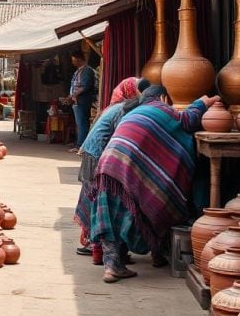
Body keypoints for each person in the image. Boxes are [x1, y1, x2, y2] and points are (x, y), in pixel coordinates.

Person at [88, 87, 219, 283]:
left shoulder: (137, 111)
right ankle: (152, 255)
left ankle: (112, 266)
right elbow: (188, 119)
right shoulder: (162, 108)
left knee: (113, 213)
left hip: (109, 165)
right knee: (147, 206)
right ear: (164, 97)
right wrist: (207, 101)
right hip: (127, 166)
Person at [73, 77, 150, 261]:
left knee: (95, 198)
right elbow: (119, 138)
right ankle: (98, 247)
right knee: (99, 200)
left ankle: (97, 247)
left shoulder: (117, 107)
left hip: (92, 154)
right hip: (96, 155)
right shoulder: (123, 110)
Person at [68, 50, 96, 153]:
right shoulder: (79, 71)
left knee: (82, 123)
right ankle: (79, 142)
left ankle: (81, 145)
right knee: (79, 123)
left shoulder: (87, 70)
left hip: (82, 100)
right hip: (77, 100)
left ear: (79, 59)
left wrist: (73, 95)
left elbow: (85, 86)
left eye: (73, 60)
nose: (73, 62)